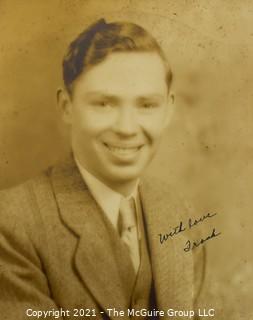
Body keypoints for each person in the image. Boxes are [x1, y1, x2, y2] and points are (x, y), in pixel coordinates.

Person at [0, 18, 205, 319]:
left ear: (168, 110)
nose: (126, 128)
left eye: (146, 105)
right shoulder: (12, 223)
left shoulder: (179, 215)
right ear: (67, 107)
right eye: (104, 104)